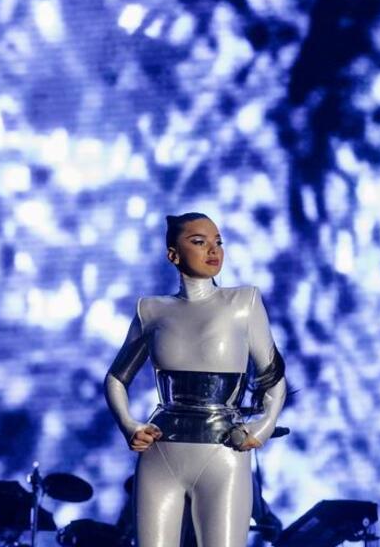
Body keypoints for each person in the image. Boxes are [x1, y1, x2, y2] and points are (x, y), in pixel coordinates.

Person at [104, 212, 287, 547]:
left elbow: (273, 377)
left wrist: (262, 428)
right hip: (161, 453)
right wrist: (129, 426)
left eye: (218, 242)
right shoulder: (151, 310)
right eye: (199, 242)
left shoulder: (243, 302)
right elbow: (116, 379)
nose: (213, 250)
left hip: (224, 450)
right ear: (173, 254)